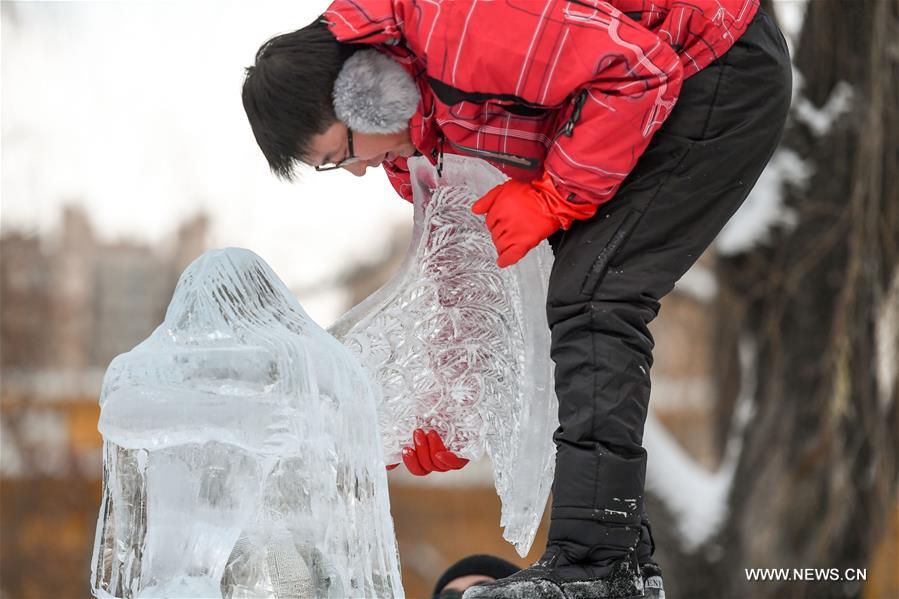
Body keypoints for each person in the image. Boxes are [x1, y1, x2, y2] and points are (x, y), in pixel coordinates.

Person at [241, 1, 791, 596]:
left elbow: (639, 69)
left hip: (719, 61)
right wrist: (450, 403)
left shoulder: (457, 26)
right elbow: (467, 267)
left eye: (340, 153)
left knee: (596, 293)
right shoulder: (417, 146)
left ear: (366, 88)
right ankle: (617, 560)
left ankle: (597, 565)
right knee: (588, 290)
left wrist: (555, 197)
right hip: (665, 89)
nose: (356, 171)